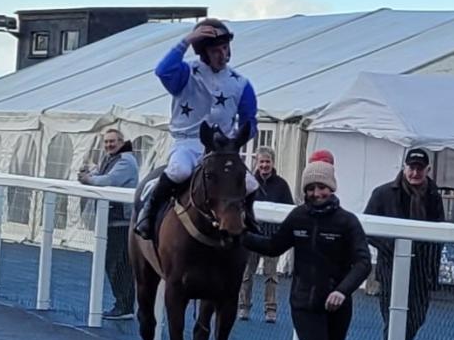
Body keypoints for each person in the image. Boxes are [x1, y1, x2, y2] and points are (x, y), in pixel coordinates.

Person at [243, 159, 371, 340]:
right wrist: (239, 236)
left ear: (332, 188)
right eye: (311, 188)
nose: (316, 193)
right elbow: (273, 247)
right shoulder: (298, 217)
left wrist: (342, 291)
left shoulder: (347, 222)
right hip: (304, 302)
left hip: (337, 304)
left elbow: (362, 262)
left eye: (322, 187)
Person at [134, 19, 259, 240]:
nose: (222, 55)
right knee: (179, 171)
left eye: (225, 48)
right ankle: (149, 212)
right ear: (203, 53)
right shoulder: (186, 73)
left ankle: (248, 217)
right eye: (215, 50)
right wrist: (187, 40)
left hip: (221, 149)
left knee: (250, 183)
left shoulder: (241, 83)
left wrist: (237, 140)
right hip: (188, 142)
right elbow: (162, 71)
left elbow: (250, 121)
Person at [364, 148, 444, 340]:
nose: (415, 173)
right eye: (412, 167)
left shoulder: (434, 196)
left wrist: (433, 273)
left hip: (421, 270)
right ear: (404, 167)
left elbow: (439, 234)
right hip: (391, 268)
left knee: (417, 318)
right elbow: (367, 228)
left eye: (420, 169)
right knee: (392, 319)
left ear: (427, 170)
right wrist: (390, 247)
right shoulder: (382, 194)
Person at [79, 128, 139, 320]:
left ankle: (125, 306)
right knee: (114, 263)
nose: (108, 145)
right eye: (106, 142)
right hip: (112, 219)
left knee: (118, 264)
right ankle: (122, 304)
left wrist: (88, 179)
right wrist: (87, 175)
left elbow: (109, 180)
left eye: (112, 141)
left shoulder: (125, 161)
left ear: (122, 142)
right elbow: (98, 175)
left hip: (120, 221)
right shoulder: (111, 158)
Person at [238, 147, 294, 322]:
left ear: (273, 163)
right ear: (256, 162)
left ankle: (271, 310)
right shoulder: (248, 184)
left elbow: (289, 211)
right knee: (246, 274)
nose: (264, 165)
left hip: (272, 239)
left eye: (267, 161)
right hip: (251, 237)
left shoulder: (282, 185)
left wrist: (282, 236)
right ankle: (243, 308)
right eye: (261, 161)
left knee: (271, 277)